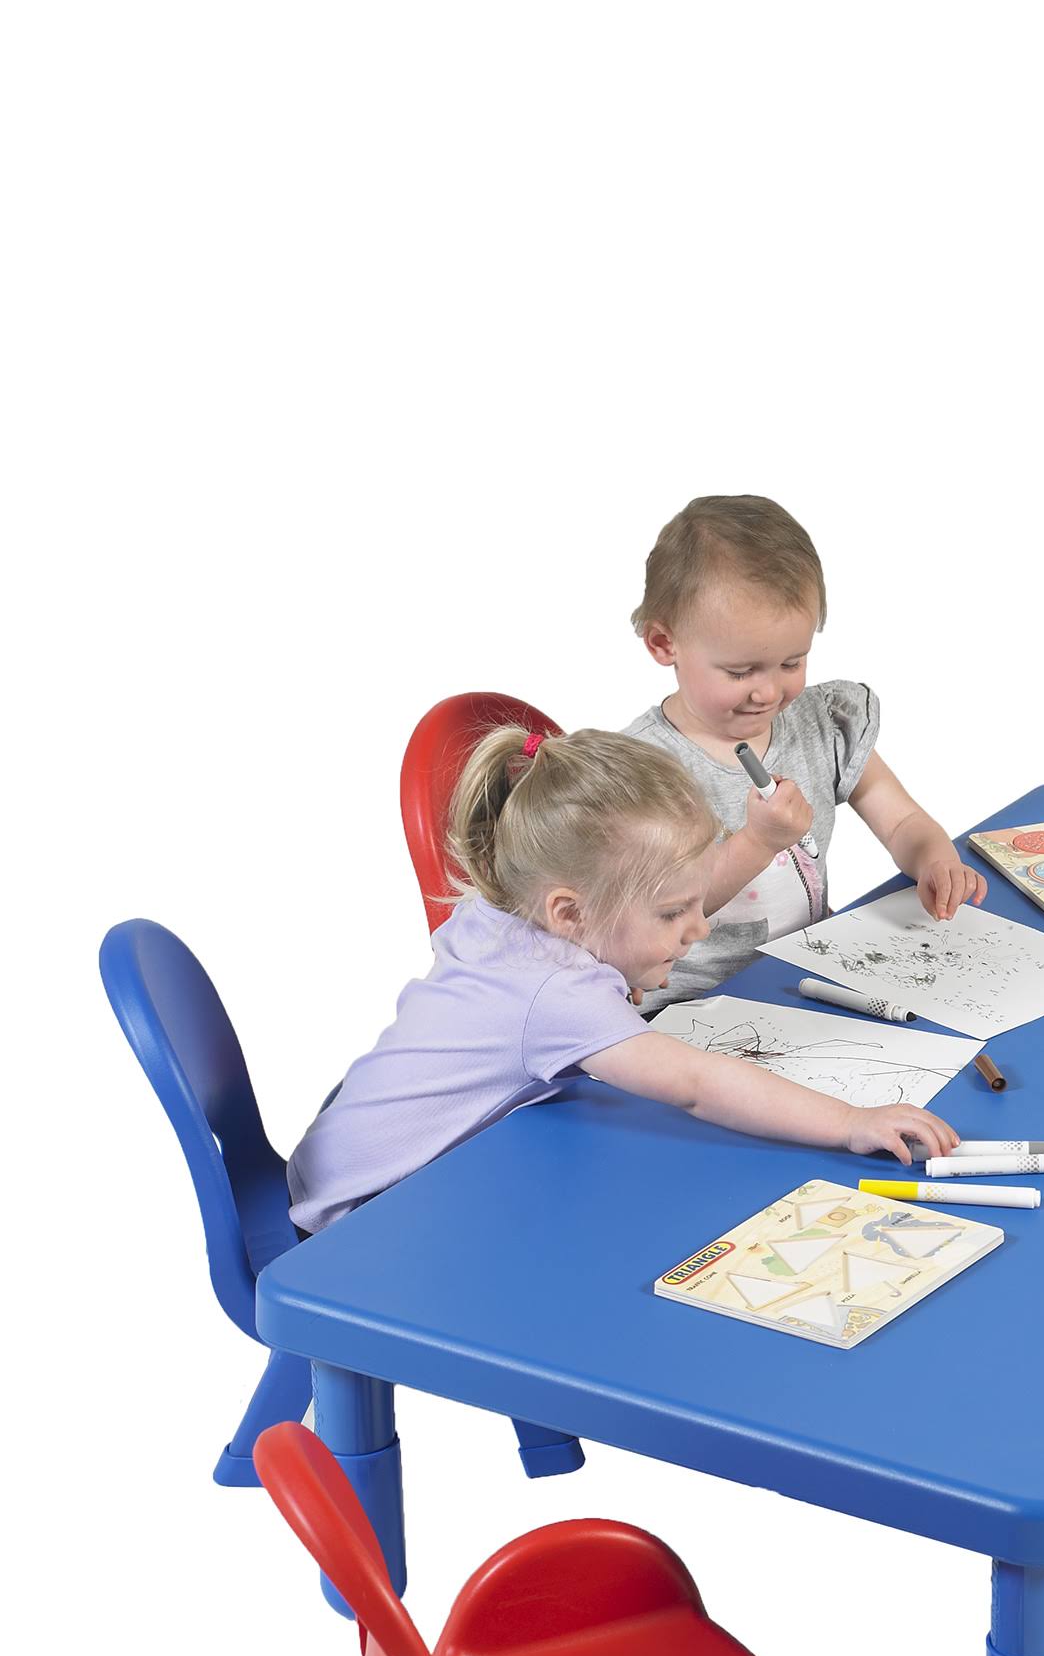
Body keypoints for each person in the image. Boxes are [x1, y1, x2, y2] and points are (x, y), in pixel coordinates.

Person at [287, 723, 955, 1233]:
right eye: (671, 913)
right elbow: (696, 1087)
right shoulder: (557, 994)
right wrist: (850, 1121)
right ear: (570, 913)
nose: (699, 929)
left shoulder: (502, 907)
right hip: (361, 1221)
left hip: (330, 1162)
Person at [620, 492, 985, 1009]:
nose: (769, 692)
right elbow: (658, 911)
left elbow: (900, 819)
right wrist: (758, 841)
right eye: (740, 672)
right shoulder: (638, 770)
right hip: (685, 1010)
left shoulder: (822, 724)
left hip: (808, 983)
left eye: (791, 663)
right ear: (664, 643)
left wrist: (934, 859)